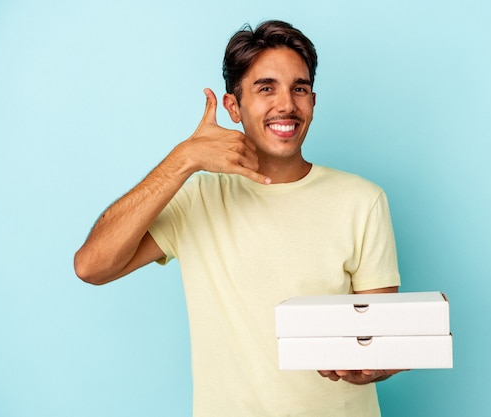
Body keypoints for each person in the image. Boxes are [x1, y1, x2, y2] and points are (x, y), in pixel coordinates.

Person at [74, 20, 402, 417]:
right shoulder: (197, 198)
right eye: (266, 88)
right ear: (233, 106)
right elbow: (92, 266)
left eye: (299, 89)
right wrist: (183, 159)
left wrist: (372, 367)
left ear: (313, 101)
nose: (286, 105)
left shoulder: (362, 200)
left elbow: (383, 342)